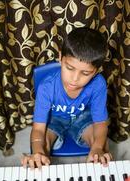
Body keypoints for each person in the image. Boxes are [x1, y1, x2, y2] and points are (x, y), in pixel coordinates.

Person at [21, 27, 112, 168]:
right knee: (40, 146)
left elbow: (100, 123)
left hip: (83, 117)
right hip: (54, 119)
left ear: (95, 71)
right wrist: (38, 151)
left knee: (102, 145)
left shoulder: (98, 83)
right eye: (69, 68)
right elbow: (38, 129)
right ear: (60, 58)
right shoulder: (47, 87)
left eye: (86, 73)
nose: (75, 79)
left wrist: (98, 148)